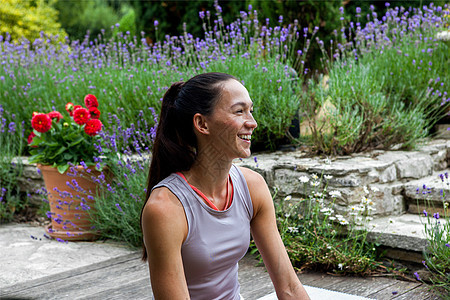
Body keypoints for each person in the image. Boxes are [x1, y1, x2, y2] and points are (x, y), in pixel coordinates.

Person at [140, 72, 310, 300]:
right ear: (202, 123)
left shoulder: (252, 187)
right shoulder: (166, 208)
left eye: (251, 111)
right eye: (239, 111)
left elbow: (289, 288)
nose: (252, 122)